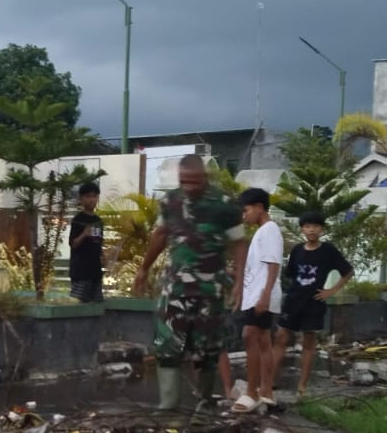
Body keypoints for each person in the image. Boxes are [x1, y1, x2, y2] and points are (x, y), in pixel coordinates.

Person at [134, 155, 247, 411]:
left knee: (207, 352)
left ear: (205, 178)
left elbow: (239, 244)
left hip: (210, 291)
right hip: (174, 289)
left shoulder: (225, 206)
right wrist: (143, 269)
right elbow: (160, 235)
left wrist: (239, 280)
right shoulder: (170, 201)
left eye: (194, 182)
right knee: (167, 348)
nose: (189, 187)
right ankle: (168, 405)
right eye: (184, 182)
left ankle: (204, 403)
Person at [273, 210, 355, 401]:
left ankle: (302, 385)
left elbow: (348, 272)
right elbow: (292, 275)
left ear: (321, 229)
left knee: (308, 343)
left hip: (314, 303)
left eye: (315, 226)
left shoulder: (328, 250)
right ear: (302, 229)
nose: (311, 230)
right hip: (293, 301)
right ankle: (270, 380)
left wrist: (330, 291)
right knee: (280, 339)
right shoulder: (297, 250)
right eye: (307, 226)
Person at [231, 189, 284, 413]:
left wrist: (264, 295)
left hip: (261, 295)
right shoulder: (263, 232)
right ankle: (267, 393)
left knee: (249, 335)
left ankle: (252, 392)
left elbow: (273, 265)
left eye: (246, 210)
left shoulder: (270, 231)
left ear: (259, 207)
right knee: (263, 340)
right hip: (257, 294)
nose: (245, 216)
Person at [68, 182, 104, 303]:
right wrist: (84, 235)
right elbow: (73, 244)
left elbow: (98, 243)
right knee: (78, 307)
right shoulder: (78, 220)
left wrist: (104, 255)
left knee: (96, 306)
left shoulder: (98, 221)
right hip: (81, 272)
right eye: (88, 196)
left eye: (94, 196)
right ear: (81, 199)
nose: (92, 199)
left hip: (95, 272)